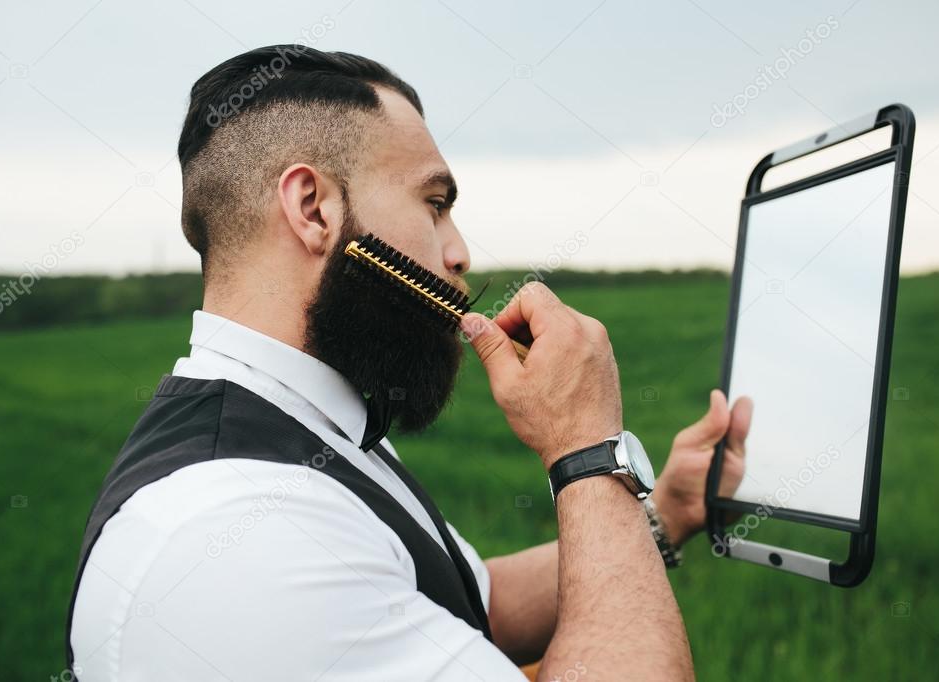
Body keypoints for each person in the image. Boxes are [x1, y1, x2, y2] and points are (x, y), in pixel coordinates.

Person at [67, 45, 752, 681]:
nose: (457, 253)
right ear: (313, 209)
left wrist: (664, 509)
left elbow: (475, 603)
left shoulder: (310, 425)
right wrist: (586, 453)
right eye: (434, 204)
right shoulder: (235, 530)